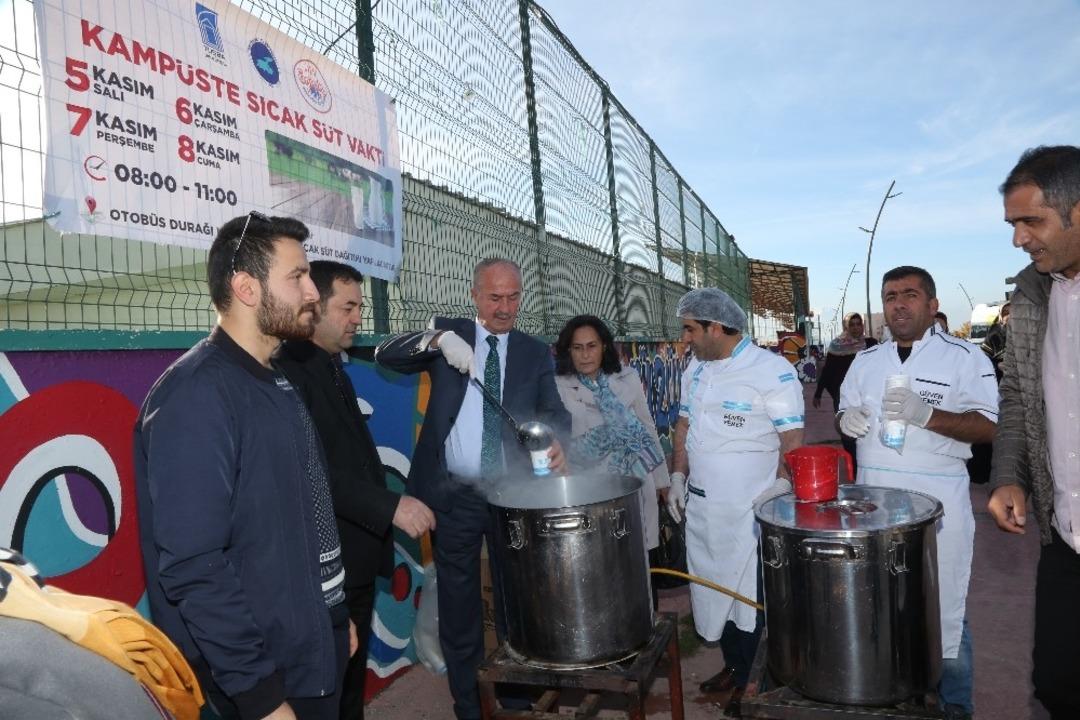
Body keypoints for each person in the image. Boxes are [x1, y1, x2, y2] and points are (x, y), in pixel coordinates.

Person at [134, 213, 356, 720]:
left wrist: (332, 613)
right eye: (296, 277)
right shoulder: (197, 396)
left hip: (311, 647)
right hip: (262, 681)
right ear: (247, 288)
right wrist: (260, 697)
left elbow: (304, 515)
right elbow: (194, 568)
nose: (312, 293)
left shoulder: (276, 379)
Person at [375, 258, 571, 720]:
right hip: (453, 495)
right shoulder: (449, 332)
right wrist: (438, 340)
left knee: (516, 598)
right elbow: (387, 353)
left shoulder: (532, 350)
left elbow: (555, 412)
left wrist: (554, 439)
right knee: (460, 608)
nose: (505, 308)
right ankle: (469, 704)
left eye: (514, 297)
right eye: (494, 297)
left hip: (511, 496)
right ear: (475, 295)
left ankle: (517, 695)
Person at [275, 261, 436, 720]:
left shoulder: (330, 366)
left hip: (356, 562)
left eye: (360, 307)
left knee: (348, 687)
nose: (357, 318)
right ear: (314, 305)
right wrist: (390, 507)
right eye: (348, 307)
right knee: (327, 690)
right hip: (326, 566)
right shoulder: (290, 371)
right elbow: (311, 473)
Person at [837, 266, 997, 720]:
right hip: (875, 500)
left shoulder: (965, 358)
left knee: (943, 608)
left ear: (932, 304)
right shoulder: (866, 363)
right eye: (890, 296)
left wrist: (927, 416)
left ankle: (955, 705)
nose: (899, 304)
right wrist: (843, 422)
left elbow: (989, 426)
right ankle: (891, 695)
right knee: (880, 605)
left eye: (910, 295)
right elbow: (845, 411)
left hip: (938, 501)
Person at [665, 288, 804, 717]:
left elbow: (793, 441)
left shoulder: (771, 371)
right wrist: (677, 476)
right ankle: (733, 666)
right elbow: (684, 426)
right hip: (703, 511)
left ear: (716, 327)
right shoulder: (695, 369)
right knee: (710, 593)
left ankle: (751, 682)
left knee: (748, 603)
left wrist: (782, 485)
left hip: (748, 515)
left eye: (691, 329)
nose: (685, 339)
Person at [987, 145, 1080, 720]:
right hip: (1065, 535)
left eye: (1031, 221)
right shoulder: (1032, 292)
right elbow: (1019, 399)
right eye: (1013, 223)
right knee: (1057, 684)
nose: (1019, 238)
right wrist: (1007, 477)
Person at [552, 314, 670, 554]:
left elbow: (646, 427)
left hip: (635, 479)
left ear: (604, 347)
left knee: (638, 557)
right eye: (578, 348)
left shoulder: (627, 379)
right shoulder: (558, 386)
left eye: (591, 346)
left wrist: (662, 482)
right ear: (569, 351)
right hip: (589, 485)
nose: (585, 354)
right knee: (600, 558)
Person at [813, 312, 878, 477]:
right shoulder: (836, 346)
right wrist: (818, 393)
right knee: (848, 433)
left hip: (866, 395)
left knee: (867, 431)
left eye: (859, 324)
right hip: (842, 397)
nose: (856, 328)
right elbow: (827, 370)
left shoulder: (871, 344)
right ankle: (855, 470)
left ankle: (866, 467)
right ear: (847, 327)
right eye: (852, 324)